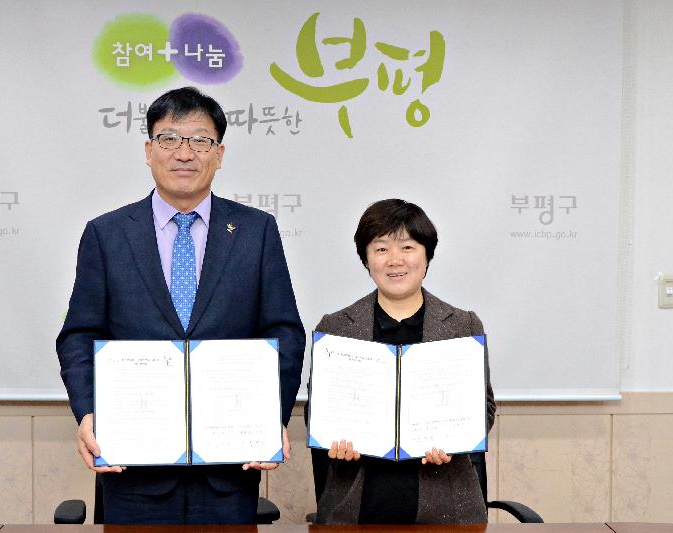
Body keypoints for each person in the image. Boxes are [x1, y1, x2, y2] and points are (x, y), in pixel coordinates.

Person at [56, 86, 305, 524]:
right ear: (148, 150)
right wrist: (89, 412)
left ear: (220, 154)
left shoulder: (256, 231)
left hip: (229, 469)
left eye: (200, 140)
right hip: (134, 468)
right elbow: (79, 334)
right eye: (169, 138)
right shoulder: (106, 234)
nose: (185, 153)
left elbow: (284, 332)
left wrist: (270, 417)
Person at [309, 199, 496, 524]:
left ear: (427, 255)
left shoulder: (463, 325)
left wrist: (456, 440)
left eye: (407, 247)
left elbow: (485, 409)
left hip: (447, 510)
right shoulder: (335, 328)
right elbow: (319, 411)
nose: (395, 260)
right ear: (366, 259)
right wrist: (332, 439)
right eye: (381, 249)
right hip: (356, 510)